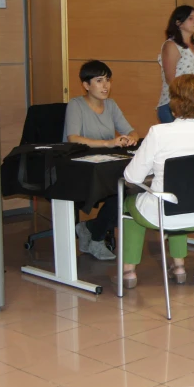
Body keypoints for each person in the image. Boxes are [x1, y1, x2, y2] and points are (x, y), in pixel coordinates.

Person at [117, 74, 194, 288]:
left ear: (174, 102)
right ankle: (179, 266)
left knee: (129, 208)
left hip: (165, 213)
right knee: (181, 197)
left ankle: (128, 271)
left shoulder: (159, 133)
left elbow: (132, 177)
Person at [64, 60, 139, 260]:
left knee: (126, 188)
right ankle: (95, 235)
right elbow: (74, 138)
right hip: (80, 165)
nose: (105, 86)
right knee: (118, 189)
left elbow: (131, 130)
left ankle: (91, 229)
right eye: (99, 81)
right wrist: (107, 143)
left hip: (105, 162)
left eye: (107, 80)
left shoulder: (111, 105)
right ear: (86, 85)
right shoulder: (76, 104)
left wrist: (131, 137)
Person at [156, 5, 194, 123]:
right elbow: (170, 79)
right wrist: (186, 101)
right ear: (178, 22)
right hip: (173, 105)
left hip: (192, 105)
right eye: (190, 18)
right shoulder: (171, 45)